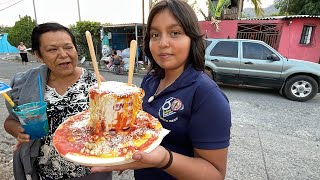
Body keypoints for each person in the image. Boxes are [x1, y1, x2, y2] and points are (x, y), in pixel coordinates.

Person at [91, 0, 231, 179]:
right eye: (155, 35)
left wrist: (165, 159)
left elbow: (215, 175)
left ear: (192, 38)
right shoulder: (150, 79)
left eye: (175, 33)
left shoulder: (207, 96)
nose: (163, 43)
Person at [4, 22, 112, 180]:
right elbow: (10, 122)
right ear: (39, 55)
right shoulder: (30, 83)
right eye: (52, 49)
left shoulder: (96, 82)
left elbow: (114, 124)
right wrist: (18, 130)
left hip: (93, 171)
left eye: (68, 47)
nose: (63, 54)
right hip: (48, 173)